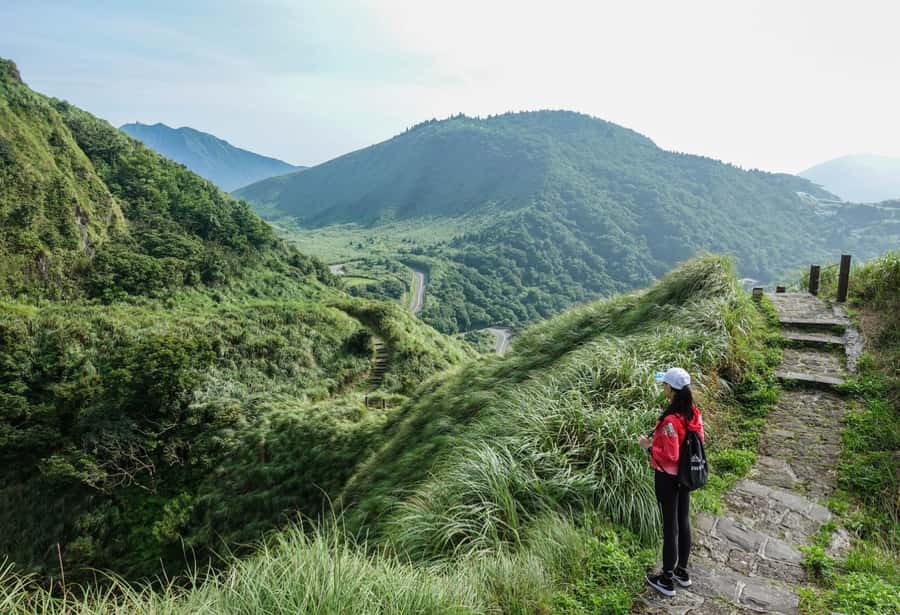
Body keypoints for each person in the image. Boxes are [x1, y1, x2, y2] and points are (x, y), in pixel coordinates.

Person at [637, 367, 704, 597]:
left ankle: (666, 579)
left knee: (670, 527)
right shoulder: (693, 413)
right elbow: (699, 441)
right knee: (683, 522)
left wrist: (648, 447)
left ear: (672, 390)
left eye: (664, 384)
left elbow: (670, 455)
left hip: (668, 477)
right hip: (686, 476)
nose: (663, 387)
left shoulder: (670, 421)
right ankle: (681, 572)